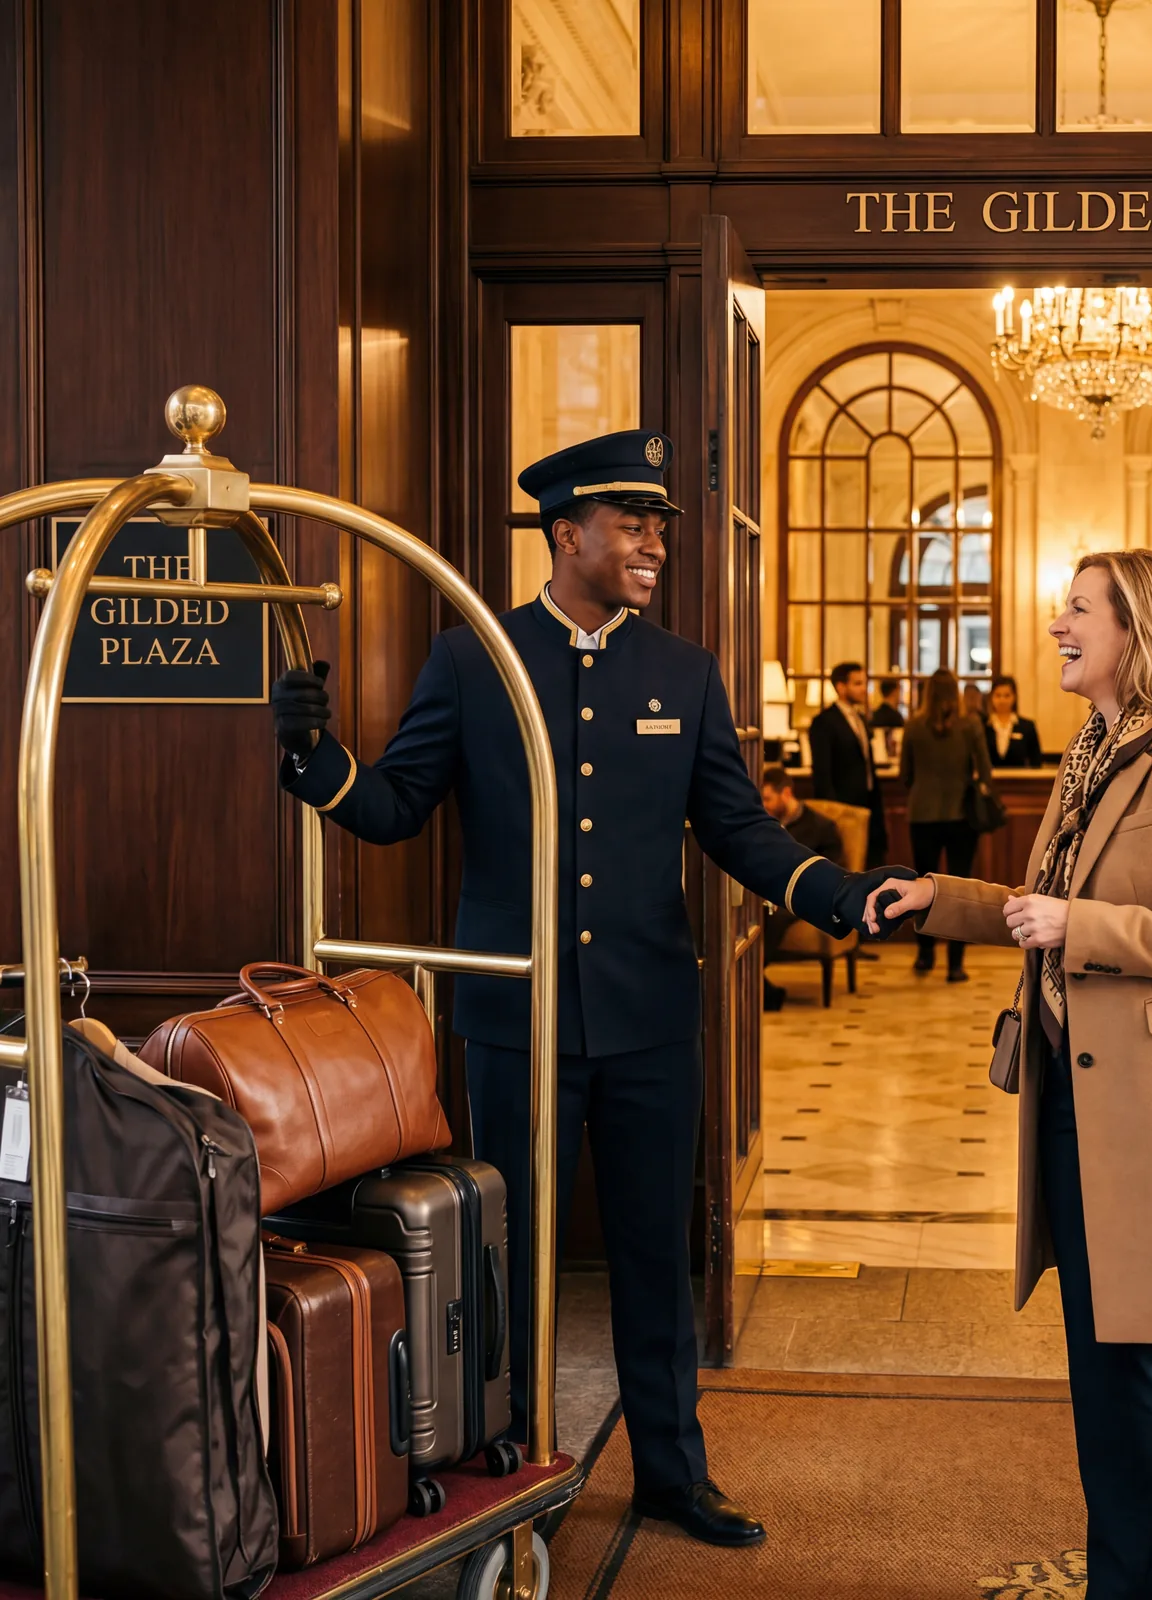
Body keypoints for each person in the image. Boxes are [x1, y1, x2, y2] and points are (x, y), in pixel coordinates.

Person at [267, 430, 908, 1548]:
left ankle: (669, 1471)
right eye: (631, 524)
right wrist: (315, 760)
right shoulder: (475, 656)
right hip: (517, 1021)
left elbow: (739, 829)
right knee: (507, 1258)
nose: (656, 541)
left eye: (658, 524)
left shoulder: (682, 670)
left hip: (651, 1018)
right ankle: (510, 1470)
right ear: (566, 534)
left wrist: (837, 894)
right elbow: (394, 807)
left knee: (657, 1255)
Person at [865, 549, 1152, 1600]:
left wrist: (1085, 926)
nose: (1055, 622)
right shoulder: (1092, 747)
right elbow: (1040, 904)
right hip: (1075, 1104)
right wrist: (934, 896)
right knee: (1105, 1373)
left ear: (1137, 629)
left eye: (1076, 609)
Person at [900, 667, 991, 983]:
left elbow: (905, 774)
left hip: (922, 815)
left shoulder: (913, 725)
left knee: (922, 887)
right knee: (959, 890)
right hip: (960, 817)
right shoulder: (971, 725)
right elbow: (985, 771)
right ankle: (955, 963)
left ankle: (925, 955)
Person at [759, 765, 844, 1013]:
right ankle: (763, 990)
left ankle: (756, 987)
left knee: (772, 916)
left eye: (767, 799)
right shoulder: (763, 825)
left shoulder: (821, 826)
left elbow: (833, 869)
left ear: (786, 793)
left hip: (803, 895)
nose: (763, 805)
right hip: (765, 891)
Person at [809, 660, 887, 866]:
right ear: (841, 687)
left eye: (864, 683)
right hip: (843, 805)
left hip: (869, 802)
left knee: (872, 863)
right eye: (858, 684)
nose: (864, 689)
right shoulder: (824, 722)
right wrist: (832, 814)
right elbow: (822, 772)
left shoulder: (860, 718)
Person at [985, 674, 1043, 769]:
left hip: (1019, 781)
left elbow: (1036, 761)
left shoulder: (1027, 727)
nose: (1002, 700)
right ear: (991, 697)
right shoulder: (983, 726)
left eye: (1007, 695)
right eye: (998, 695)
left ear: (1014, 697)